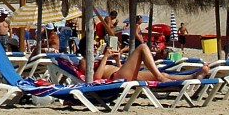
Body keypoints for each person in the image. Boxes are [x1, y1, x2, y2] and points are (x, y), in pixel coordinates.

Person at [79, 42, 209, 82]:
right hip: (116, 78)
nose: (96, 47)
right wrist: (106, 58)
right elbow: (95, 79)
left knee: (163, 76)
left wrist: (118, 60)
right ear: (85, 48)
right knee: (142, 47)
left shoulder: (98, 59)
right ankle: (159, 76)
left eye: (96, 45)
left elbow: (117, 68)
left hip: (121, 74)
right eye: (93, 45)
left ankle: (192, 76)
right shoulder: (84, 61)